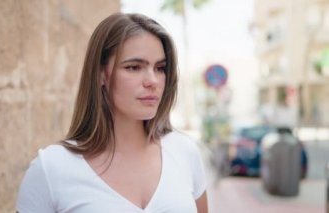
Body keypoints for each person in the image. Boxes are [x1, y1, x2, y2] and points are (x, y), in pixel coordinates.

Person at [16, 12, 208, 213]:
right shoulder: (51, 168)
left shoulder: (184, 151)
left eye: (160, 68)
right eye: (134, 67)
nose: (152, 80)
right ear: (101, 75)